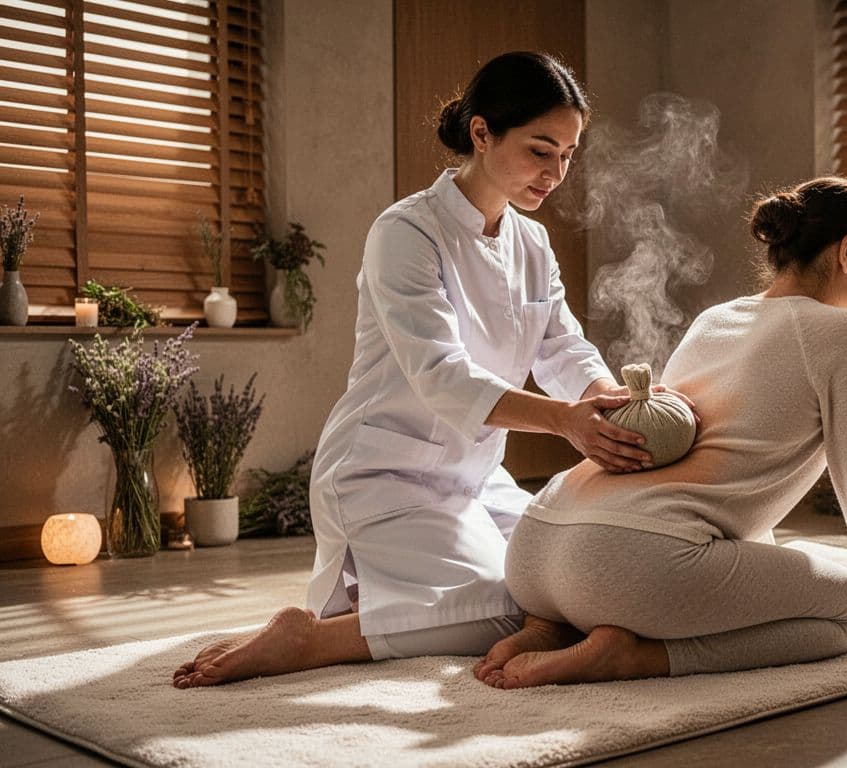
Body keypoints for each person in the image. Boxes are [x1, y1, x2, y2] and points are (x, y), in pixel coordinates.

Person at [172, 51, 692, 688]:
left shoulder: (531, 242)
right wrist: (564, 423)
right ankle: (310, 639)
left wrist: (609, 399)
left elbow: (562, 346)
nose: (556, 172)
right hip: (386, 473)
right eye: (540, 150)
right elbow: (442, 375)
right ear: (481, 133)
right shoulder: (406, 233)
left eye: (568, 154)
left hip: (476, 477)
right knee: (504, 610)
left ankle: (388, 612)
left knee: (570, 583)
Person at [474, 177, 847, 689]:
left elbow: (684, 444)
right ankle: (635, 655)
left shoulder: (716, 319)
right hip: (629, 564)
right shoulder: (846, 333)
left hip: (536, 541)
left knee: (656, 565)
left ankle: (548, 625)